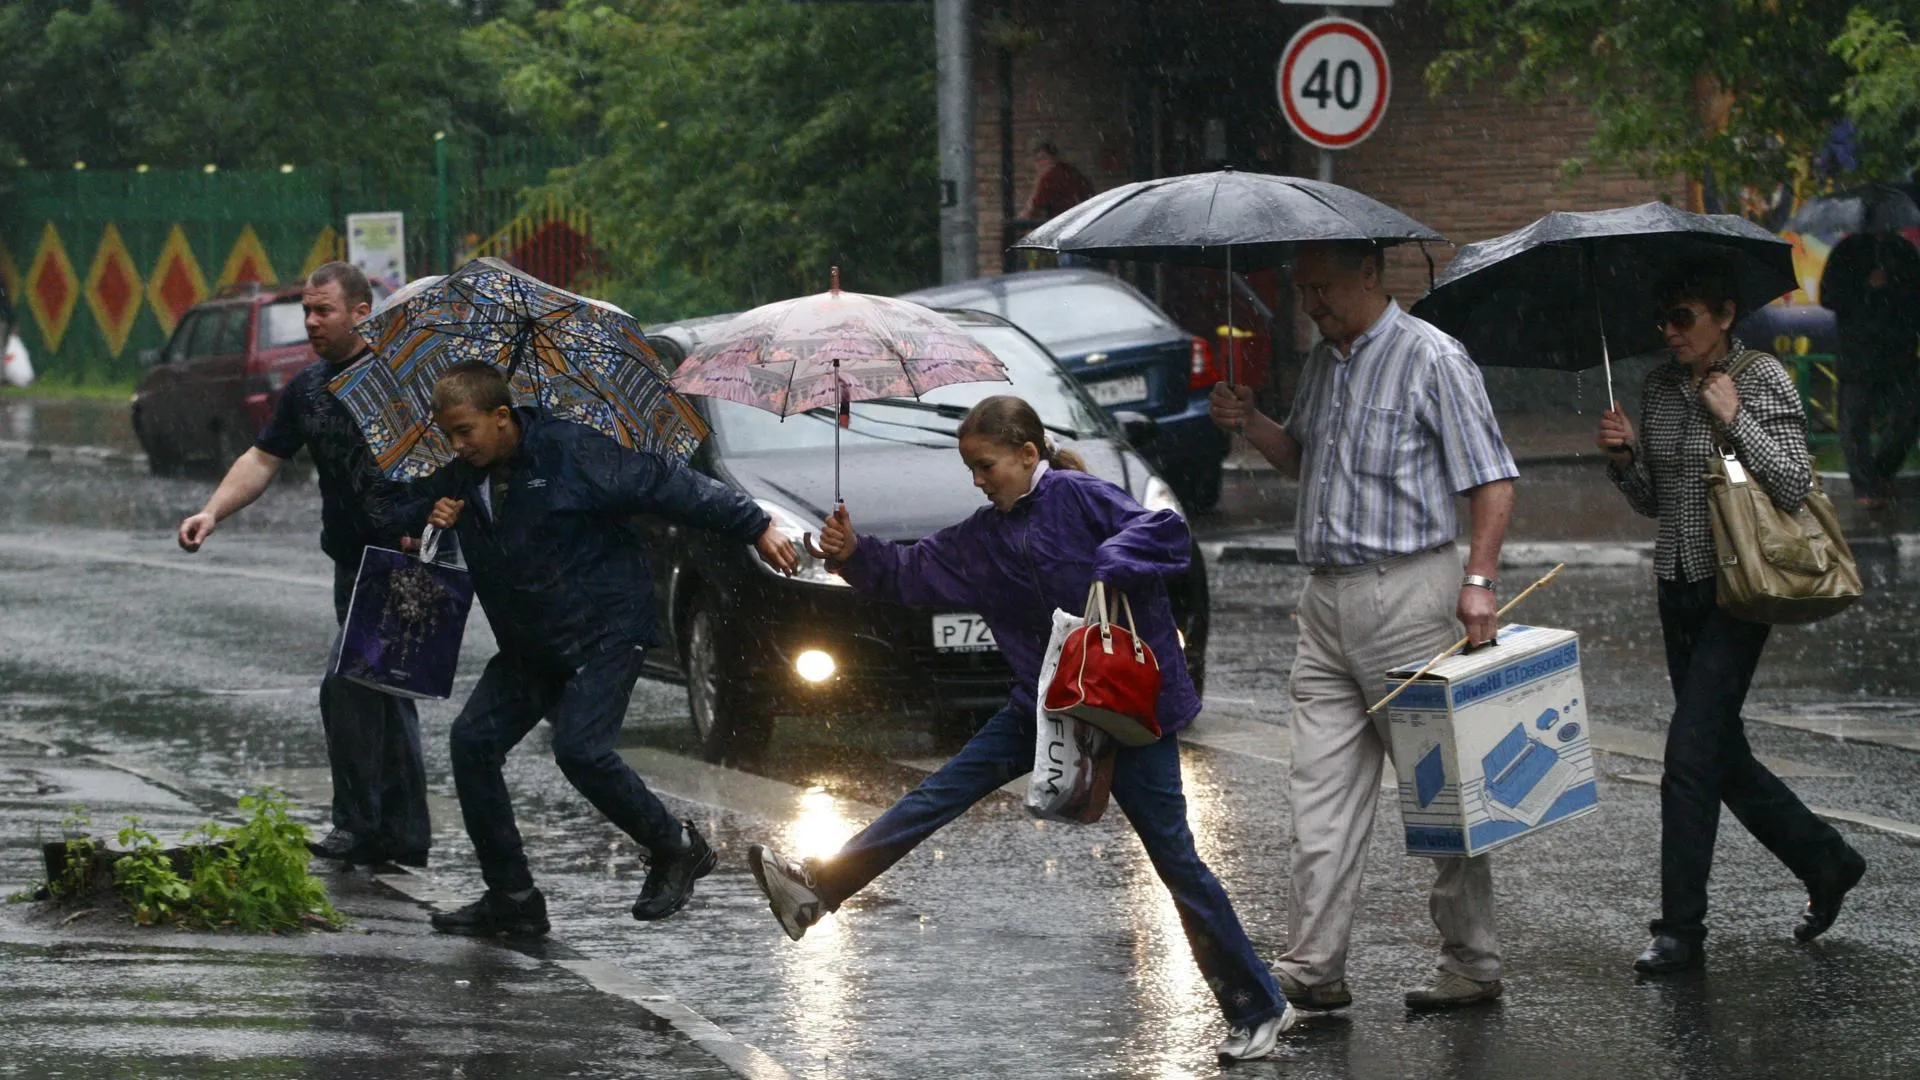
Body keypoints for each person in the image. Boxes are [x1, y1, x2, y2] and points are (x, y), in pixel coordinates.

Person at [744, 395, 1295, 1063]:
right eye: (971, 469)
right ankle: (818, 889)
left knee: (1175, 860)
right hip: (1046, 701)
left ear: (1028, 454)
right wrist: (854, 553)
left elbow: (1166, 533)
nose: (979, 480)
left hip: (1130, 708)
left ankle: (1257, 1007)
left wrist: (1117, 557)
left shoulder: (1079, 497)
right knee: (940, 792)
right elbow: (911, 573)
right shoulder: (983, 535)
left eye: (987, 466)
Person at [1208, 239, 1519, 1012]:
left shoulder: (1433, 358)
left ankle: (1473, 961)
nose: (1311, 303)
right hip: (1325, 601)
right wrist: (1251, 422)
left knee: (1439, 793)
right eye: (1302, 289)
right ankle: (1313, 967)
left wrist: (1480, 582)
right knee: (1317, 790)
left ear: (1371, 275)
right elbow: (1303, 460)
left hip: (1410, 593)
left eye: (1324, 287)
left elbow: (1492, 479)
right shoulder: (1325, 361)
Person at [397, 361, 798, 936]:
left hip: (604, 629)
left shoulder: (571, 451)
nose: (457, 445)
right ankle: (512, 897)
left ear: (502, 416)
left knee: (580, 749)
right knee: (472, 743)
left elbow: (665, 481)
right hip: (531, 640)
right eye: (449, 435)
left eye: (465, 431)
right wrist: (427, 519)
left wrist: (754, 524)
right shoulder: (460, 476)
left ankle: (676, 847)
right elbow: (400, 513)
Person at [1597, 256, 1866, 974]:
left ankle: (1680, 930)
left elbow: (1793, 482)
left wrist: (1734, 417)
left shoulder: (1761, 377)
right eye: (1664, 319)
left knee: (1688, 757)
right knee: (1720, 752)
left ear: (1723, 316)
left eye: (1683, 318)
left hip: (1739, 587)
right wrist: (1624, 461)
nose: (1670, 332)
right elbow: (1656, 503)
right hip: (1677, 585)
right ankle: (1827, 859)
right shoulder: (1658, 388)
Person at [177, 261, 431, 869]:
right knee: (383, 693)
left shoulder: (400, 381)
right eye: (307, 311)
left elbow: (451, 456)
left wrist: (430, 516)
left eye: (324, 311)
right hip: (351, 561)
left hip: (405, 562)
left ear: (361, 313)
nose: (311, 322)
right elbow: (263, 458)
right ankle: (401, 833)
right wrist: (212, 512)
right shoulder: (309, 388)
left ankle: (358, 825)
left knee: (348, 684)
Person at [1818, 230, 1920, 508]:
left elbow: (1915, 296)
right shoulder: (1848, 251)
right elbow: (1829, 297)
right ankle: (1865, 486)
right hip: (1858, 354)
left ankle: (1881, 473)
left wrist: (1891, 288)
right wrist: (1865, 288)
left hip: (1899, 354)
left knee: (1907, 419)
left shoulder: (1903, 251)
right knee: (1854, 423)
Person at [1021, 140, 1095, 224]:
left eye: (1044, 158)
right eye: (1037, 160)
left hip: (1065, 223)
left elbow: (1032, 211)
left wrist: (1038, 181)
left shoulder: (1050, 177)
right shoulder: (1069, 171)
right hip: (1082, 220)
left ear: (1054, 158)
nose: (1040, 163)